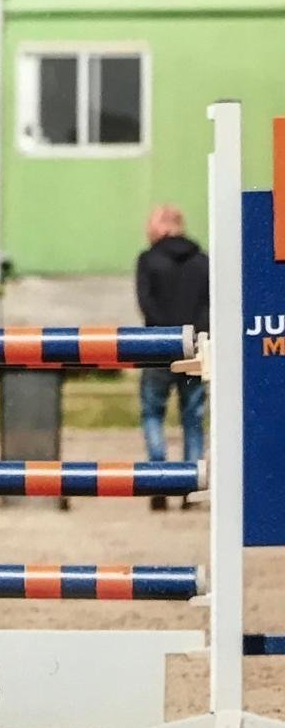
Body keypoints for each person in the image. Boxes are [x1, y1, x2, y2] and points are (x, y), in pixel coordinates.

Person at [135, 203, 208, 510]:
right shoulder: (203, 261)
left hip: (158, 349)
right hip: (195, 349)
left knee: (153, 413)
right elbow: (209, 304)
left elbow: (145, 302)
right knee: (193, 418)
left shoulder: (148, 260)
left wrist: (162, 336)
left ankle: (158, 481)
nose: (147, 231)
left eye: (150, 224)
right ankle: (189, 486)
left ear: (164, 226)